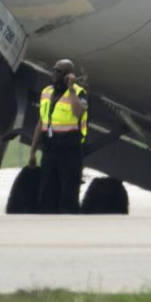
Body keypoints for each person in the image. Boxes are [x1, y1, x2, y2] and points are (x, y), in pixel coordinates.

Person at [28, 59, 88, 214]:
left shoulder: (79, 93)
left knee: (68, 197)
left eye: (58, 71)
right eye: (53, 70)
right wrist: (33, 152)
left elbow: (78, 112)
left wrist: (72, 89)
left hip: (70, 151)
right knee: (46, 195)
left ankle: (69, 232)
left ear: (68, 75)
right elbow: (40, 123)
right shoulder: (46, 92)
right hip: (50, 150)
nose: (54, 74)